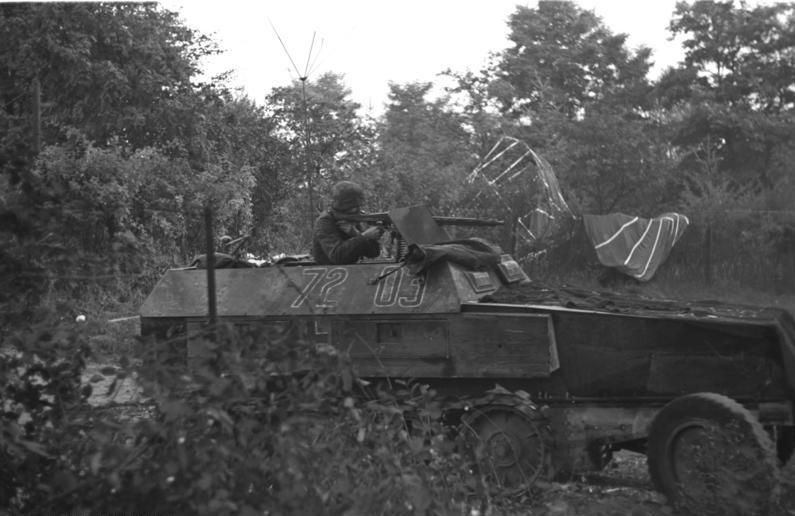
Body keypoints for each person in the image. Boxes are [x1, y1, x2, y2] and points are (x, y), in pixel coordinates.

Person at [312, 181, 384, 265]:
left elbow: (373, 253)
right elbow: (337, 256)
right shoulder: (325, 222)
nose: (357, 210)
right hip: (329, 273)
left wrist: (355, 234)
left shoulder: (351, 218)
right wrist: (363, 237)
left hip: (352, 271)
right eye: (354, 206)